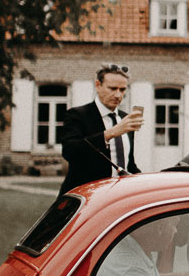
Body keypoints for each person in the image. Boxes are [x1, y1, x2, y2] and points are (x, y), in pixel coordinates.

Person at [58, 63, 144, 195]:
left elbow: (128, 163)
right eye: (112, 88)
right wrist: (110, 133)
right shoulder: (77, 115)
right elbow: (70, 151)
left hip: (119, 196)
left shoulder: (125, 119)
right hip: (87, 196)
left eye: (122, 90)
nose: (118, 95)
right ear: (98, 85)